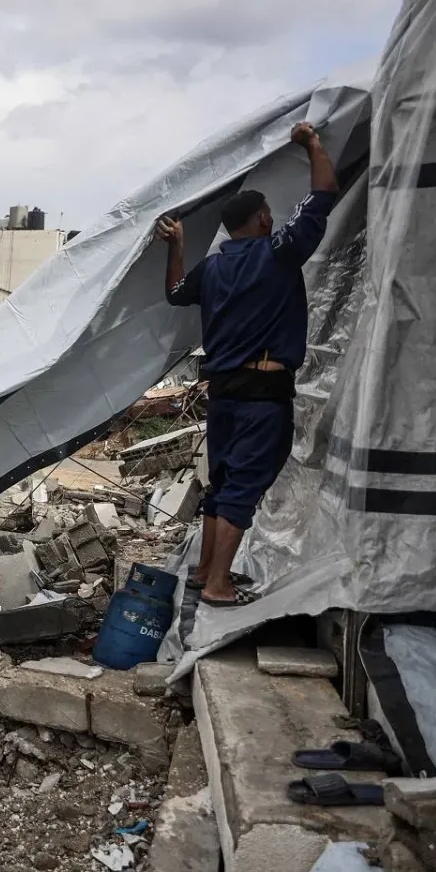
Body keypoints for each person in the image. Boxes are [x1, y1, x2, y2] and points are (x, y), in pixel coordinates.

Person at [157, 121, 337, 608]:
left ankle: (203, 574)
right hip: (262, 396)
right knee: (244, 487)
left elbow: (175, 294)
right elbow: (323, 195)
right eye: (269, 214)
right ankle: (218, 585)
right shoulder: (278, 253)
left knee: (223, 484)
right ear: (261, 219)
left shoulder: (214, 266)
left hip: (225, 397)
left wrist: (175, 248)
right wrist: (313, 144)